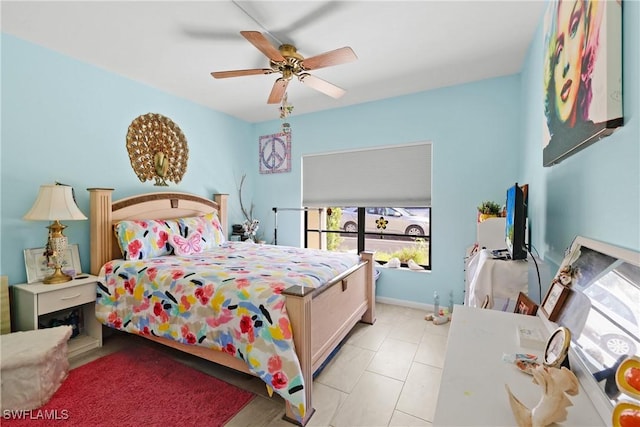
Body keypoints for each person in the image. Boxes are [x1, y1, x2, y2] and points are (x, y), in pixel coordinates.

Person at [542, 0, 617, 164]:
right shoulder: (548, 155)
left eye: (574, 29)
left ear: (585, 42)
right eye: (559, 51)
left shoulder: (603, 125)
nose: (565, 65)